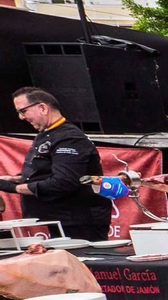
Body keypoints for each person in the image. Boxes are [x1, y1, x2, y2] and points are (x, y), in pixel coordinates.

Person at [3, 87, 111, 240]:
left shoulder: (69, 138)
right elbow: (44, 172)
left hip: (78, 221)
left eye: (23, 111)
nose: (21, 117)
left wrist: (15, 188)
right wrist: (13, 179)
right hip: (58, 219)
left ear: (42, 108)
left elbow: (64, 182)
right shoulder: (46, 134)